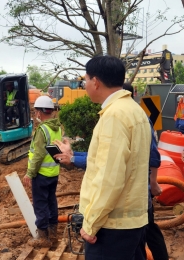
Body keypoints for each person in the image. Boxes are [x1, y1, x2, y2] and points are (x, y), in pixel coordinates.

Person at [76, 56, 152, 259]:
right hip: (131, 221)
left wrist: (91, 223)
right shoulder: (135, 111)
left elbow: (109, 178)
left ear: (95, 82)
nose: (85, 85)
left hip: (111, 226)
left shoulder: (114, 116)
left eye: (85, 80)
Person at [22, 95, 62, 247]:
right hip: (53, 173)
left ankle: (43, 237)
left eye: (36, 111)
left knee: (40, 204)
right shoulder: (57, 127)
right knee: (51, 201)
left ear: (39, 112)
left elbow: (38, 155)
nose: (36, 114)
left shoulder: (42, 130)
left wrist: (30, 173)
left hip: (41, 175)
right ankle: (53, 232)